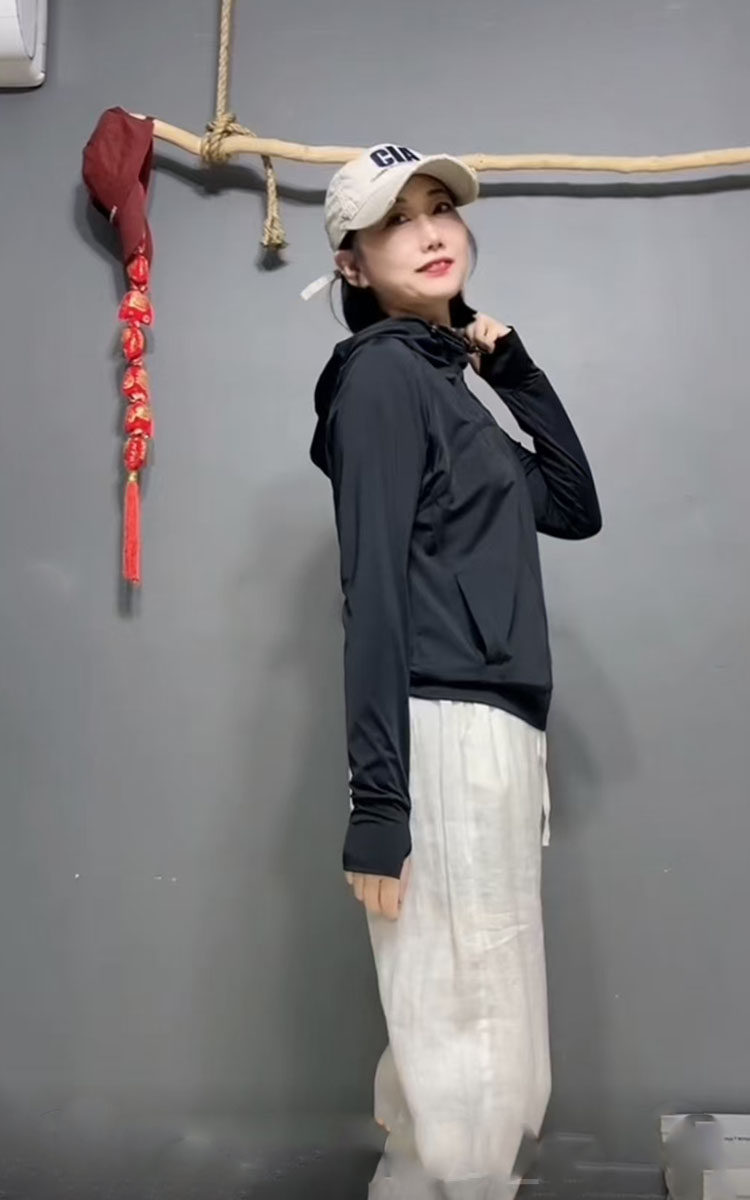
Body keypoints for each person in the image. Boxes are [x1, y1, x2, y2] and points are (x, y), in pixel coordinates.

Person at [307, 143, 602, 1199]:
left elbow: (572, 505)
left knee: (469, 1033)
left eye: (441, 209)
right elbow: (374, 591)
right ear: (352, 264)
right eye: (397, 219)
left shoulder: (449, 390)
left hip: (491, 729)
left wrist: (513, 371)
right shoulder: (385, 378)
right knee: (473, 1047)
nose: (432, 231)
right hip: (443, 732)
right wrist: (379, 801)